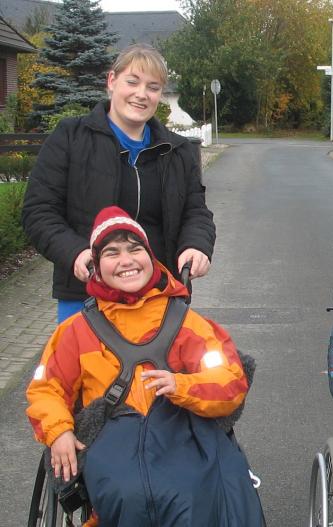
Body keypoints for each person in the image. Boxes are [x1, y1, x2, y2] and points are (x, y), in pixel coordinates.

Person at [26, 206, 263, 526]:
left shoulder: (189, 326)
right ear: (96, 266)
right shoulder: (75, 333)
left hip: (182, 436)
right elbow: (46, 389)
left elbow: (230, 379)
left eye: (135, 249)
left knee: (212, 491)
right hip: (112, 444)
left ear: (150, 257)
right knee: (130, 494)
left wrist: (182, 385)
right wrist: (58, 431)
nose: (126, 260)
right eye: (112, 252)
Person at [22, 43, 215, 323]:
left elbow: (195, 212)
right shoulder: (70, 138)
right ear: (112, 81)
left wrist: (196, 245)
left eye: (153, 87)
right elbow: (39, 211)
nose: (141, 94)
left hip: (159, 296)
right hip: (86, 296)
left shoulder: (178, 151)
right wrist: (75, 252)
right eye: (132, 82)